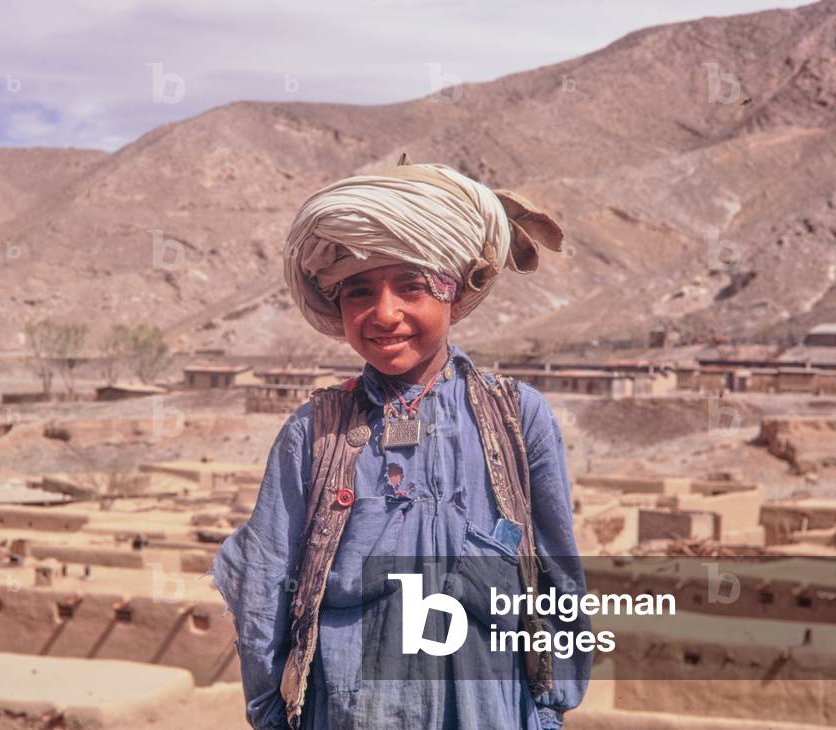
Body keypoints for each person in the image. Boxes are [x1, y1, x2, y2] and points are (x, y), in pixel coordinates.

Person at [213, 155, 590, 730]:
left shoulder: (519, 418)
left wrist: (548, 707)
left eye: (412, 287)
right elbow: (262, 581)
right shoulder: (313, 433)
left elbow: (558, 573)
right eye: (359, 292)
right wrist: (270, 713)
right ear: (338, 305)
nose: (384, 314)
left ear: (456, 292)